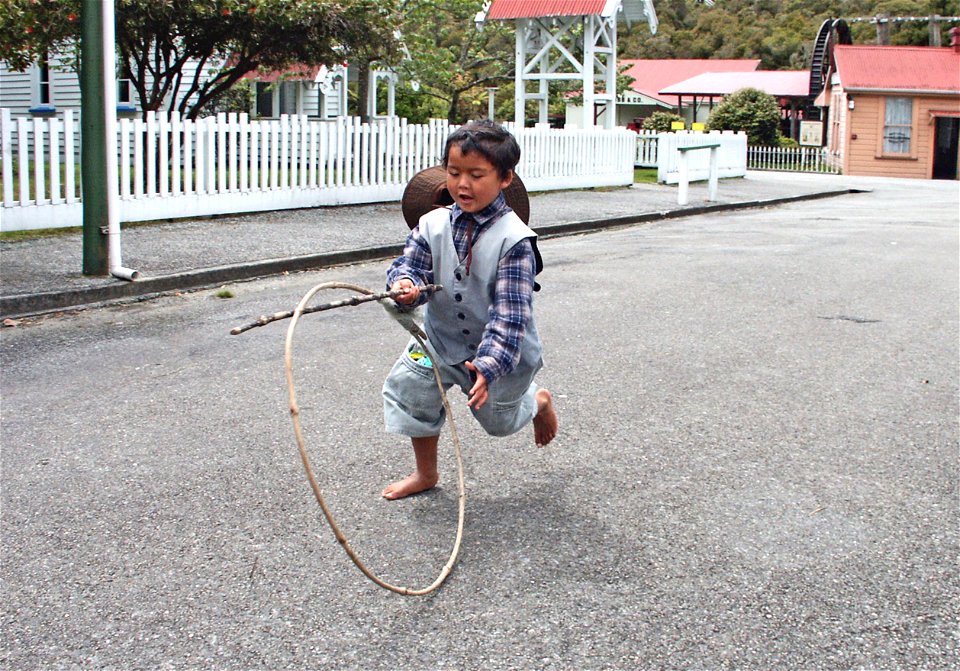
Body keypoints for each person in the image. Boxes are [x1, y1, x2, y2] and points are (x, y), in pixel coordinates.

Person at [381, 119, 559, 500]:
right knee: (412, 389)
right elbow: (412, 266)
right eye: (454, 172)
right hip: (440, 342)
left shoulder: (515, 241)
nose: (463, 184)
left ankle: (538, 401)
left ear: (505, 178)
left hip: (497, 353)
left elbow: (510, 317)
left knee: (498, 422)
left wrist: (490, 365)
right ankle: (425, 473)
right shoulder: (431, 224)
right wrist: (407, 287)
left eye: (477, 174)